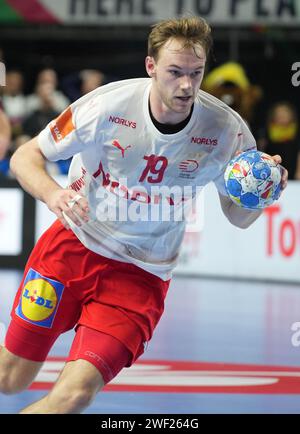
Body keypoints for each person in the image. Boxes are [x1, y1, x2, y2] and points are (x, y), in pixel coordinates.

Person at [0, 16, 288, 414]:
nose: (186, 85)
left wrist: (263, 196)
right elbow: (24, 156)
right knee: (10, 378)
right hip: (72, 249)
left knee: (75, 394)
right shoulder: (107, 105)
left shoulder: (227, 130)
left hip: (141, 275)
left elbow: (238, 218)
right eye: (175, 72)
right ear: (151, 67)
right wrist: (53, 194)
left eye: (196, 73)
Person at [257, 101, 300, 179]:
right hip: (272, 173)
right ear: (273, 116)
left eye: (285, 113)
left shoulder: (296, 131)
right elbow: (261, 153)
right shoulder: (266, 131)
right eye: (279, 113)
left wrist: (298, 172)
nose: (282, 115)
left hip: (293, 172)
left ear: (291, 115)